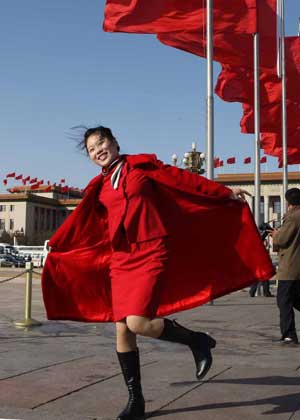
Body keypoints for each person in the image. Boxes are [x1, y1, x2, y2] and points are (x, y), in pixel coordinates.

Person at [42, 126, 274, 420]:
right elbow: (80, 221)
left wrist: (223, 192)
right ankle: (135, 401)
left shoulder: (141, 167)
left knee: (138, 322)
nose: (98, 149)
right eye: (91, 149)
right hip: (121, 258)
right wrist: (58, 243)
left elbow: (183, 179)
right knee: (122, 330)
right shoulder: (98, 187)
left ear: (115, 143)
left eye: (101, 142)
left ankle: (196, 340)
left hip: (151, 250)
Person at [271, 188, 300, 345]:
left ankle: (289, 334)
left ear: (288, 202)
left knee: (284, 301)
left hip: (290, 267)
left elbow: (282, 241)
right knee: (295, 298)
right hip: (297, 268)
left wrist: (275, 235)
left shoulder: (293, 218)